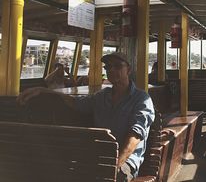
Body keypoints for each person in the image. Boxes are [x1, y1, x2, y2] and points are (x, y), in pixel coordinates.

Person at [18, 52, 155, 181]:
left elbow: (135, 137)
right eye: (108, 67)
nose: (111, 70)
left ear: (128, 70)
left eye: (118, 66)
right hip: (98, 156)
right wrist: (44, 91)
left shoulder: (141, 99)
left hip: (125, 161)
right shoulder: (101, 97)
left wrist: (116, 164)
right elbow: (75, 102)